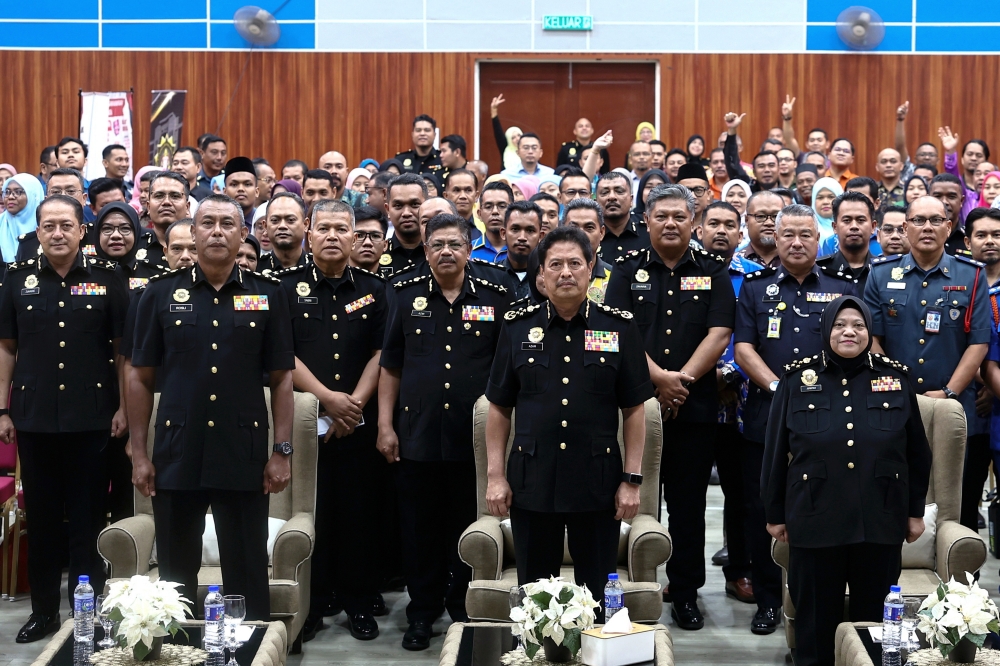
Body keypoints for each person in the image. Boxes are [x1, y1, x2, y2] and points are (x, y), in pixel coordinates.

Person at [129, 193, 295, 622]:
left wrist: (281, 451)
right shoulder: (160, 294)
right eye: (207, 223)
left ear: (243, 234)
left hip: (242, 449)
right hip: (177, 447)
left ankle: (252, 646)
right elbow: (140, 377)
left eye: (227, 223)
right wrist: (140, 453)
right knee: (175, 571)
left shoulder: (268, 294)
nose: (217, 231)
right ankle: (177, 645)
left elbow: (281, 378)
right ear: (192, 232)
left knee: (246, 568)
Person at [484, 225, 652, 620]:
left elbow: (634, 409)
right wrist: (495, 475)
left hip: (596, 482)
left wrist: (631, 480)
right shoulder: (516, 326)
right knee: (534, 596)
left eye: (575, 263)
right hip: (531, 480)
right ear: (540, 275)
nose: (565, 273)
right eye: (554, 264)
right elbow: (498, 408)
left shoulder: (618, 327)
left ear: (591, 267)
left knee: (597, 593)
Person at [763, 296, 930, 666]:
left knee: (876, 625)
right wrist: (775, 513)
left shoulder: (894, 376)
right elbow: (774, 452)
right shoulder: (796, 378)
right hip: (814, 517)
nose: (849, 332)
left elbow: (918, 452)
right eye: (839, 325)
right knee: (816, 623)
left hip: (880, 518)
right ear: (825, 330)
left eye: (858, 325)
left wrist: (914, 512)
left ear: (870, 332)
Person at [604, 184, 736, 631]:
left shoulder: (714, 270)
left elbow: (719, 332)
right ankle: (626, 587)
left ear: (694, 220)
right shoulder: (625, 270)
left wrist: (681, 383)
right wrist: (658, 379)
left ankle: (684, 591)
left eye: (680, 216)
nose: (671, 224)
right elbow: (617, 332)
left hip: (692, 406)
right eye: (661, 216)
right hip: (635, 405)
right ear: (646, 220)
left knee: (687, 504)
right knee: (630, 499)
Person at [377, 213, 509, 651]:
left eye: (455, 244)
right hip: (417, 434)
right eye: (437, 245)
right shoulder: (405, 292)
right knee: (419, 530)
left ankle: (462, 605)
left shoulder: (496, 292)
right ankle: (421, 612)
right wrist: (384, 424)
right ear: (426, 250)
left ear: (469, 249)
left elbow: (509, 369)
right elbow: (391, 365)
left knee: (467, 527)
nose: (446, 251)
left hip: (473, 438)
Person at [1, 195, 128, 643]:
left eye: (66, 225)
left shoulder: (108, 280)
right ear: (37, 232)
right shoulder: (16, 281)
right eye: (49, 226)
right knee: (43, 519)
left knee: (87, 519)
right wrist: (2, 408)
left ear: (81, 231)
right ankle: (43, 614)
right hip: (34, 419)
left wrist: (124, 407)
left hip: (91, 418)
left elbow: (122, 352)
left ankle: (85, 616)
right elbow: (6, 349)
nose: (57, 233)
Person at [734, 202, 857, 635]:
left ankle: (811, 598)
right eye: (788, 234)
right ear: (776, 237)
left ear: (819, 237)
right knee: (762, 509)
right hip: (767, 416)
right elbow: (744, 349)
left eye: (806, 234)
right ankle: (768, 600)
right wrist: (780, 390)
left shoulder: (842, 285)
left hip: (827, 421)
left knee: (819, 505)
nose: (797, 242)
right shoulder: (755, 287)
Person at [278, 199, 388, 642]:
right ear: (308, 231)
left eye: (343, 229)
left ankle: (359, 604)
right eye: (324, 227)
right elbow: (282, 353)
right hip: (306, 425)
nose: (333, 236)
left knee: (359, 516)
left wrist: (353, 406)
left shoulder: (377, 290)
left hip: (359, 425)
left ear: (354, 235)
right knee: (311, 513)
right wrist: (325, 400)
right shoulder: (283, 288)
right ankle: (311, 605)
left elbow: (384, 354)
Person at [864, 195, 990, 531]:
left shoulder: (972, 275)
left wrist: (949, 391)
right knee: (891, 491)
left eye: (936, 220)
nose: (927, 227)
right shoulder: (879, 274)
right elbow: (872, 340)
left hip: (952, 406)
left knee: (957, 499)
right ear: (905, 228)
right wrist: (898, 389)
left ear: (949, 228)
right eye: (919, 220)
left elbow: (978, 342)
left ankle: (961, 582)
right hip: (893, 404)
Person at [693, 200, 760, 609]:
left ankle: (740, 571)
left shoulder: (754, 279)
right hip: (690, 399)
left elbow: (755, 334)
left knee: (741, 495)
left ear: (741, 232)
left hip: (741, 404)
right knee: (686, 496)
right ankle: (685, 576)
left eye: (729, 225)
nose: (721, 230)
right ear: (700, 229)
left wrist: (728, 374)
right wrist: (701, 378)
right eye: (713, 223)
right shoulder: (685, 272)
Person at [960, 207, 1000, 534]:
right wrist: (981, 379)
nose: (990, 241)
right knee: (965, 502)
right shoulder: (961, 284)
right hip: (968, 407)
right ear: (967, 240)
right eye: (981, 235)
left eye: (997, 235)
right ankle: (963, 585)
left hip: (997, 403)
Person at [816, 191, 879, 291]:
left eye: (861, 220)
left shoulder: (883, 270)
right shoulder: (819, 270)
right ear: (835, 227)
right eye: (846, 220)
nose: (854, 226)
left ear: (873, 227)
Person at [563, 198, 613, 304]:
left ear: (602, 232)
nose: (581, 234)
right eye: (573, 228)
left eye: (589, 227)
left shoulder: (615, 277)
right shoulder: (550, 274)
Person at [377, 173, 428, 279]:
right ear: (388, 210)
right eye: (398, 206)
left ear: (427, 206)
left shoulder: (439, 252)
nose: (406, 213)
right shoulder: (377, 253)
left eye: (414, 204)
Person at [495, 200, 543, 300]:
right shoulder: (490, 275)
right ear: (503, 233)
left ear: (540, 236)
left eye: (530, 230)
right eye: (515, 229)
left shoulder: (549, 277)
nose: (522, 237)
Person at [596, 172, 648, 263]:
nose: (612, 197)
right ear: (595, 202)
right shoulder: (590, 235)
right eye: (605, 192)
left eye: (619, 191)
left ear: (631, 200)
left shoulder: (648, 232)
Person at [259, 192, 309, 273]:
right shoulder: (256, 268)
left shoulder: (319, 268)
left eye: (290, 220)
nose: (282, 226)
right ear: (265, 226)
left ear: (305, 224)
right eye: (275, 220)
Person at [0, 173, 44, 263]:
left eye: (18, 192)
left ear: (33, 196)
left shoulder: (46, 225)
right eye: (7, 192)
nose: (11, 197)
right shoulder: (1, 222)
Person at [735, 191, 783, 269]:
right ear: (747, 220)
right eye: (760, 216)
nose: (769, 223)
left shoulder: (796, 261)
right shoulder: (734, 263)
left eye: (776, 216)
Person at [470, 180, 512, 263]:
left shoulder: (521, 250)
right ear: (479, 214)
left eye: (502, 206)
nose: (495, 211)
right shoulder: (469, 251)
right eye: (488, 207)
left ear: (512, 211)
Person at [928, 174, 968, 255]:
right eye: (938, 196)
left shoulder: (970, 238)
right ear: (928, 199)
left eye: (951, 197)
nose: (944, 202)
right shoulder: (918, 236)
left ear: (961, 201)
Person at [350, 205, 388, 273]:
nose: (367, 242)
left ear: (385, 245)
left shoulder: (393, 283)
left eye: (375, 236)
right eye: (359, 235)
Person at [489, 95, 522, 173]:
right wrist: (494, 110)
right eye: (513, 137)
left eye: (519, 135)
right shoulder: (505, 149)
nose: (517, 139)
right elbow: (498, 132)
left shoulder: (528, 151)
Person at [811, 177, 844, 244]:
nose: (825, 202)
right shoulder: (808, 229)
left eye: (831, 197)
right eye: (820, 197)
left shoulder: (849, 227)